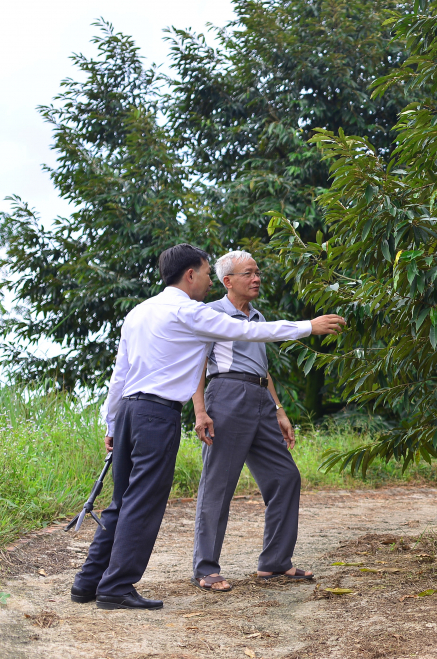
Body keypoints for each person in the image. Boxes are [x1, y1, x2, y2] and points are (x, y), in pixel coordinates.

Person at [70, 244, 344, 610]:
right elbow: (249, 334)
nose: (208, 282)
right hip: (157, 413)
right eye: (205, 273)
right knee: (144, 502)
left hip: (130, 410)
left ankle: (87, 583)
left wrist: (112, 420)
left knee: (121, 500)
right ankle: (117, 586)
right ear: (190, 275)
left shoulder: (139, 311)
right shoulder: (190, 312)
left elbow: (120, 373)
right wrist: (308, 327)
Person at [188, 250, 310, 592]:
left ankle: (275, 561)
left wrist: (279, 409)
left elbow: (263, 369)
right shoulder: (210, 314)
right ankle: (206, 568)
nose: (256, 279)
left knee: (286, 477)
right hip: (226, 396)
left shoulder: (257, 317)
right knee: (218, 485)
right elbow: (197, 364)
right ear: (228, 281)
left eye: (257, 273)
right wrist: (200, 410)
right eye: (248, 274)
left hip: (259, 398)